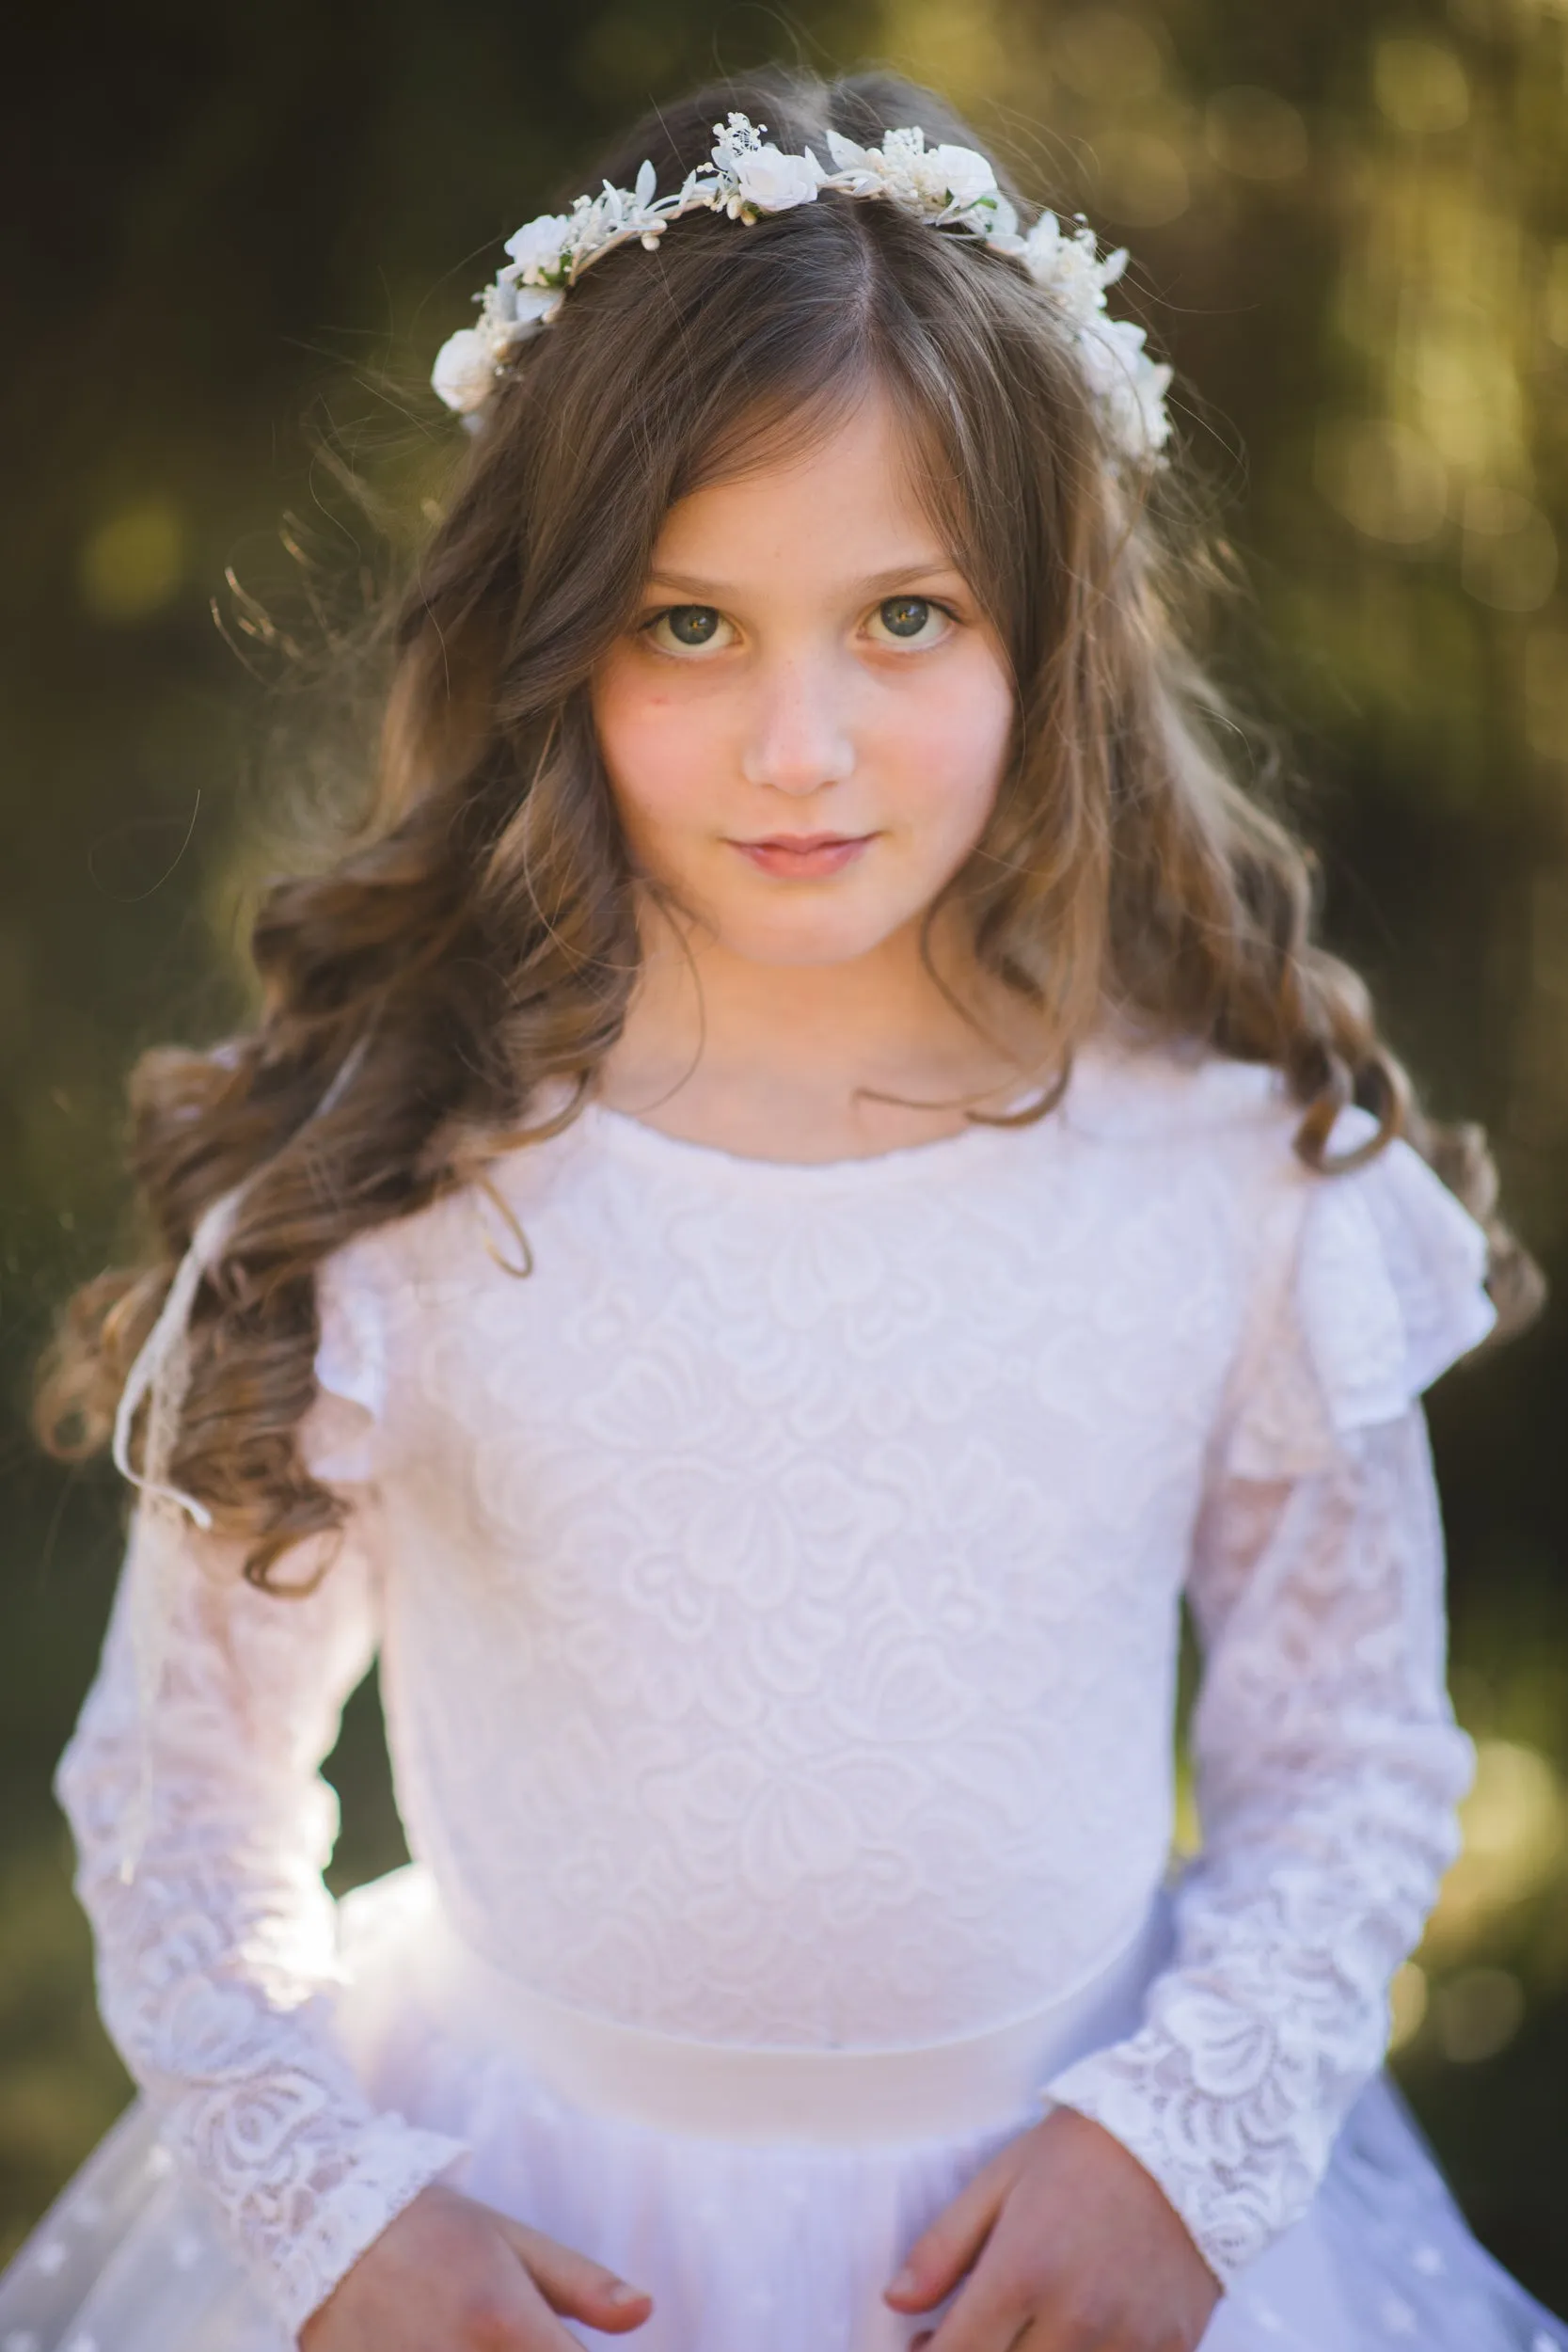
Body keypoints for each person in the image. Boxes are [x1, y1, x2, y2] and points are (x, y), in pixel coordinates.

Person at [2, 64, 1561, 2352]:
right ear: (551, 639)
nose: (799, 747)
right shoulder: (402, 1168)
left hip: (1072, 2227)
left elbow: (1346, 1748)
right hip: (523, 2228)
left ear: (1051, 620)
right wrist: (329, 2204)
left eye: (903, 617)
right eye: (688, 626)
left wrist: (1177, 2149)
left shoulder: (1219, 1169)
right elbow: (175, 1781)